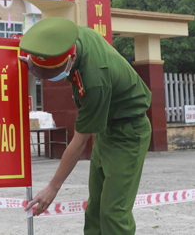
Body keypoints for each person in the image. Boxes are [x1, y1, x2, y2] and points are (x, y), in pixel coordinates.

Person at [20, 17, 151, 235]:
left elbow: (80, 142)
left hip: (128, 133)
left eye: (55, 74)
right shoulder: (69, 37)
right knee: (95, 210)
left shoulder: (95, 80)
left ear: (71, 59)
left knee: (113, 213)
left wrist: (53, 186)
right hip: (106, 127)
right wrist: (36, 61)